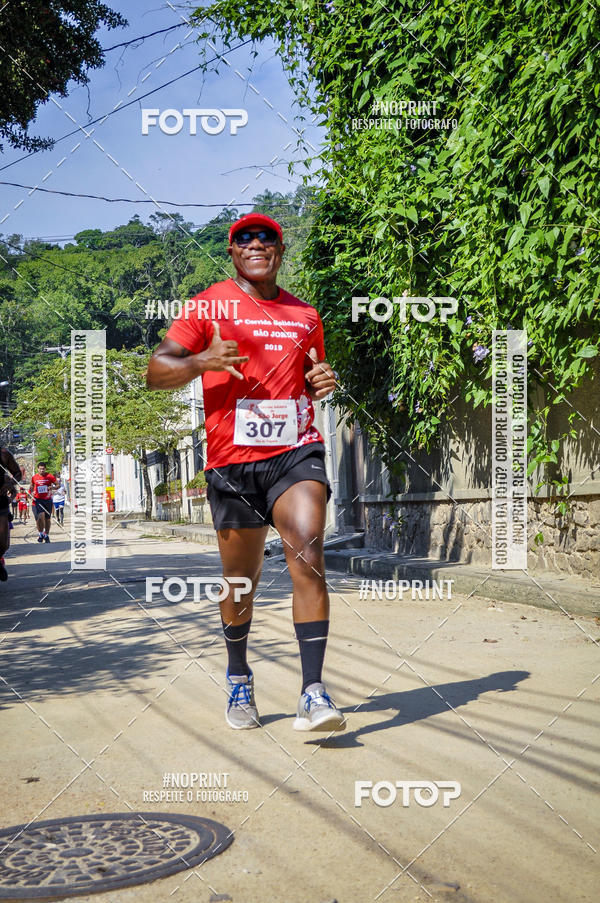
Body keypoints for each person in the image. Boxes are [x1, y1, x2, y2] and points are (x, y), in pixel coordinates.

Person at [147, 213, 345, 732]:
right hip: (233, 463)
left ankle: (313, 692)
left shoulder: (305, 315)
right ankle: (239, 677)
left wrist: (321, 379)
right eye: (244, 239)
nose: (256, 244)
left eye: (267, 238)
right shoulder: (208, 305)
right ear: (233, 252)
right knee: (240, 582)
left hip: (295, 452)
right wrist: (201, 362)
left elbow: (312, 378)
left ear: (280, 250)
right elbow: (156, 372)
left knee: (308, 550)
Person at [0, 447, 22, 582]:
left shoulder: (4, 454)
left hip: (0, 501)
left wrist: (10, 484)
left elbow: (18, 473)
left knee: (3, 544)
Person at [29, 462, 57, 543]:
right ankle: (40, 533)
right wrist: (31, 492)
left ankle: (46, 535)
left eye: (43, 469)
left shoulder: (50, 476)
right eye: (40, 469)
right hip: (37, 500)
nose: (42, 470)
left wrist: (52, 487)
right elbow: (31, 487)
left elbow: (57, 485)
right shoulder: (34, 477)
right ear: (38, 469)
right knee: (40, 517)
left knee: (47, 519)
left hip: (47, 500)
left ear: (45, 469)